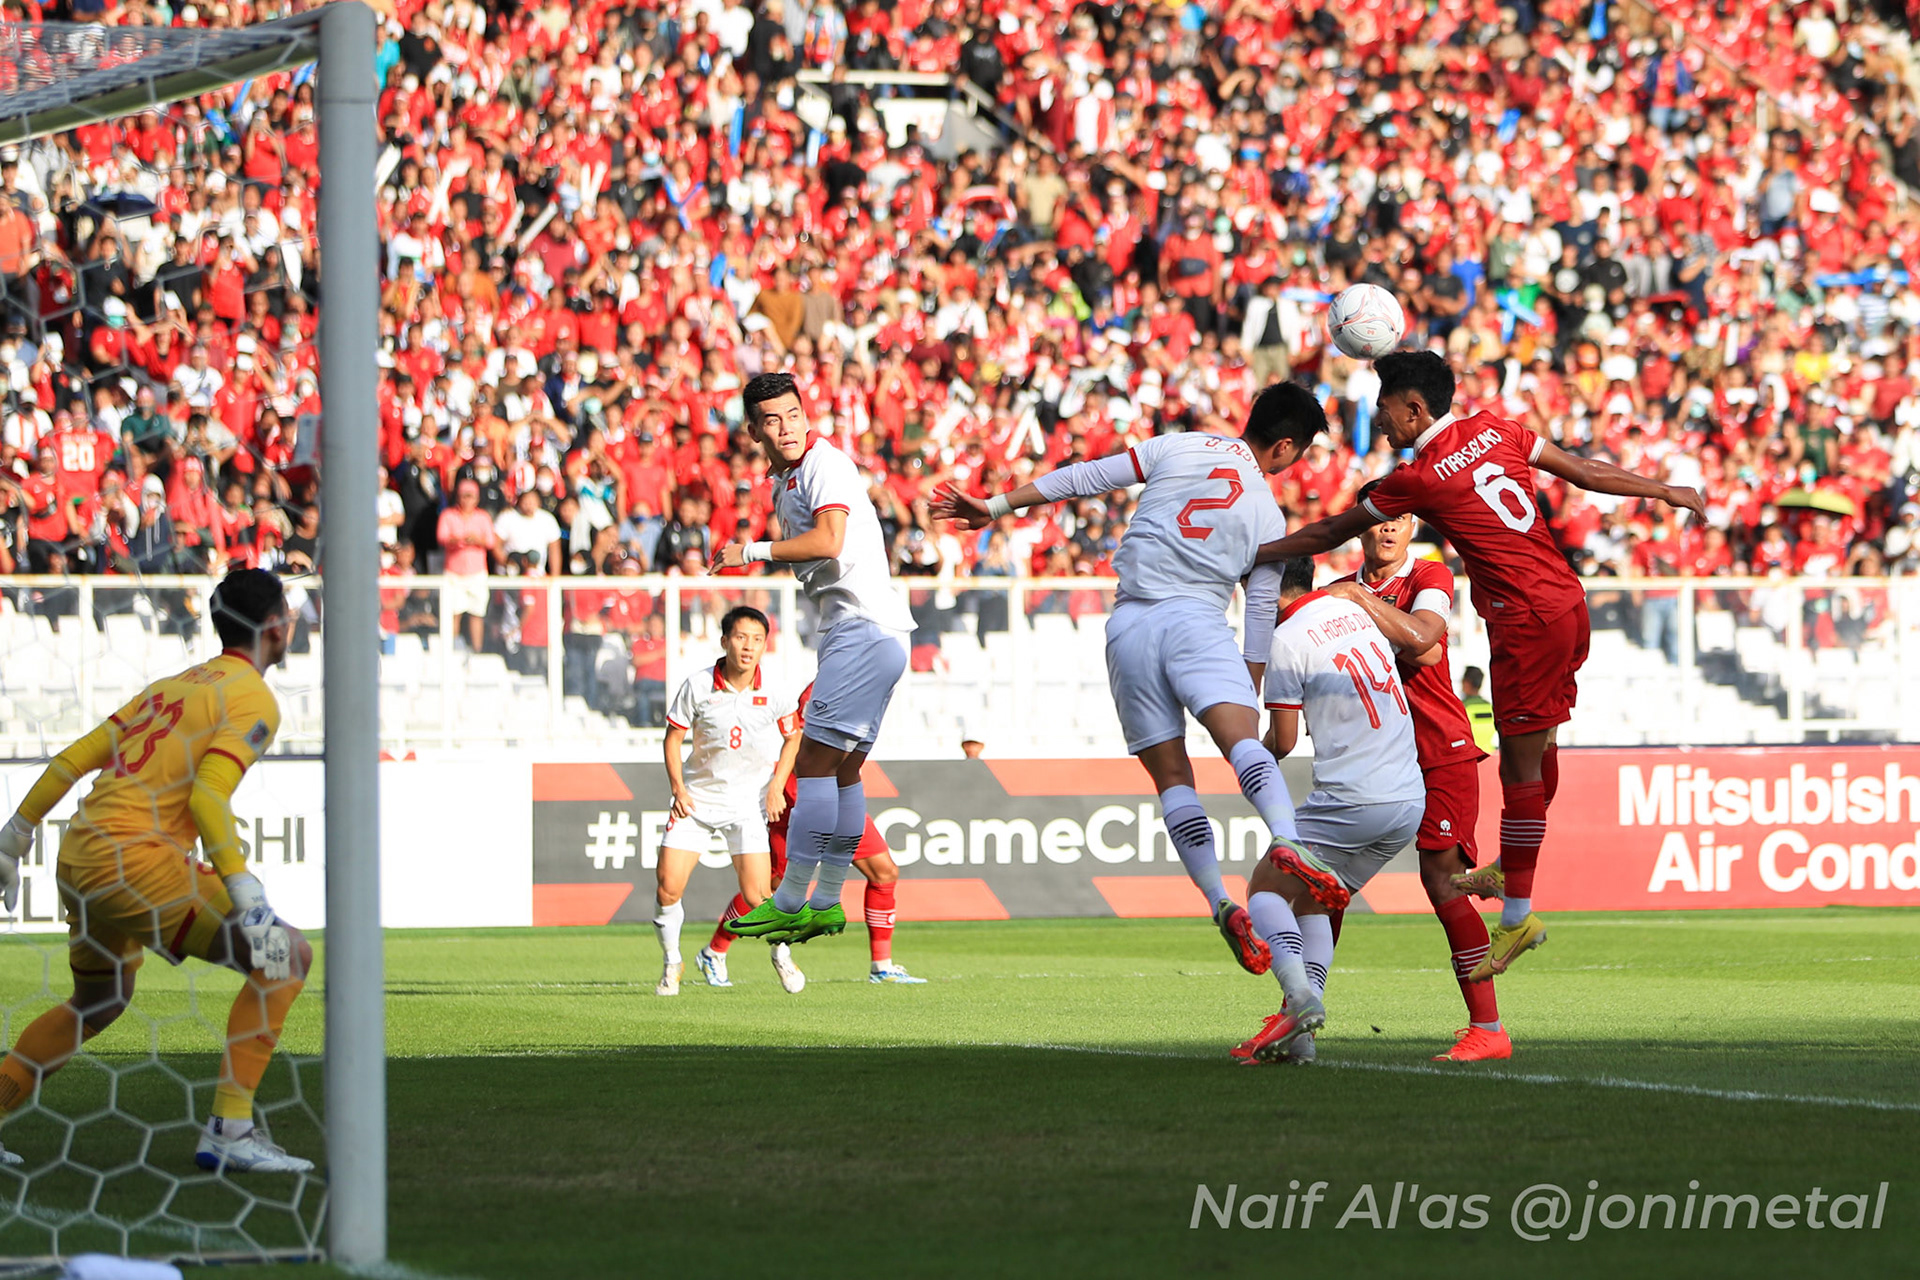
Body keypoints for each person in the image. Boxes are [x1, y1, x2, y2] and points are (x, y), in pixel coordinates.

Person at [1252, 352, 1706, 980]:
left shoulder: (1419, 479)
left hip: (1524, 619)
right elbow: (1584, 471)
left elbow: (1328, 531)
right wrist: (1663, 490)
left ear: (1415, 408)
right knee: (1542, 744)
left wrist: (1258, 550)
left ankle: (1517, 913)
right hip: (1568, 603)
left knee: (1518, 771)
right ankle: (1510, 867)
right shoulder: (1498, 428)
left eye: (1385, 408)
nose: (1380, 422)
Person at [932, 382, 1328, 975]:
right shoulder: (1269, 515)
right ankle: (1286, 837)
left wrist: (995, 506)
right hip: (1198, 616)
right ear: (1286, 447)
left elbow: (1085, 477)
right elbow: (1261, 610)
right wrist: (1249, 687)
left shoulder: (1180, 445)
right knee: (1241, 742)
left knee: (1172, 778)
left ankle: (1219, 901)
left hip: (1131, 623)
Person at [0, 569, 313, 1172]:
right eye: (289, 611)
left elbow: (74, 758)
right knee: (286, 956)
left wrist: (13, 839)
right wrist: (245, 893)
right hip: (137, 860)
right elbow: (206, 798)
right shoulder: (252, 697)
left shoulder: (171, 686)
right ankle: (231, 1128)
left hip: (82, 853)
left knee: (101, 998)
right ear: (276, 626)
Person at [714, 373, 917, 945]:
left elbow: (829, 540)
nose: (787, 428)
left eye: (794, 414)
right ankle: (827, 901)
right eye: (772, 420)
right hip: (867, 633)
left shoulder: (825, 463)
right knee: (846, 771)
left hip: (862, 629)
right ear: (753, 430)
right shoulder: (791, 481)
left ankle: (790, 899)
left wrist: (748, 552)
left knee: (813, 768)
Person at [1320, 495, 1510, 1061]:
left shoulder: (1428, 573)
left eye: (1400, 520)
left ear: (1413, 525)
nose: (1388, 530)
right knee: (1327, 880)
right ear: (1361, 525)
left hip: (1438, 748)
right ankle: (1298, 1009)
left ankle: (1489, 1029)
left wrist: (1357, 603)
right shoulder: (1338, 588)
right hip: (1373, 754)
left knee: (1442, 883)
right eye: (1379, 519)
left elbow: (1425, 642)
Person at [1230, 558, 1426, 1064]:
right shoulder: (1355, 613)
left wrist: (1246, 751)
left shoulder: (1288, 639)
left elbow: (1285, 739)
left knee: (1265, 889)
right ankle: (1302, 1042)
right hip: (1407, 798)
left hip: (1353, 797)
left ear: (1265, 590)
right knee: (1314, 903)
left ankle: (1298, 999)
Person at [702, 679, 926, 985]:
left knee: (884, 871)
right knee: (769, 892)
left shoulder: (868, 683)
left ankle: (881, 966)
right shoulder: (826, 687)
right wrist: (781, 788)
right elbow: (800, 742)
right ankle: (715, 950)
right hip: (802, 798)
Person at [653, 606, 805, 996]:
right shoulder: (698, 685)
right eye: (740, 638)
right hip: (698, 801)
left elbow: (793, 737)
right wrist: (678, 789)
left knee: (758, 896)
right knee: (668, 888)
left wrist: (776, 784)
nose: (748, 647)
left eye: (756, 639)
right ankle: (672, 963)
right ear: (724, 641)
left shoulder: (776, 689)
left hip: (747, 804)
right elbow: (672, 739)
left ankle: (782, 955)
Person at [437, 477, 498, 652]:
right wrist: (457, 540)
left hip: (476, 572)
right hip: (454, 572)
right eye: (464, 496)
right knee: (453, 613)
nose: (467, 500)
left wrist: (477, 540)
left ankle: (477, 651)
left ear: (477, 498)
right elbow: (442, 537)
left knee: (476, 613)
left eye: (470, 496)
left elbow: (491, 541)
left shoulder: (483, 517)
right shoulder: (448, 515)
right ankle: (451, 651)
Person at [1460, 666, 1497, 754]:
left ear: (1466, 683)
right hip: (1489, 755)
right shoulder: (1490, 708)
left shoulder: (1462, 708)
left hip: (1470, 755)